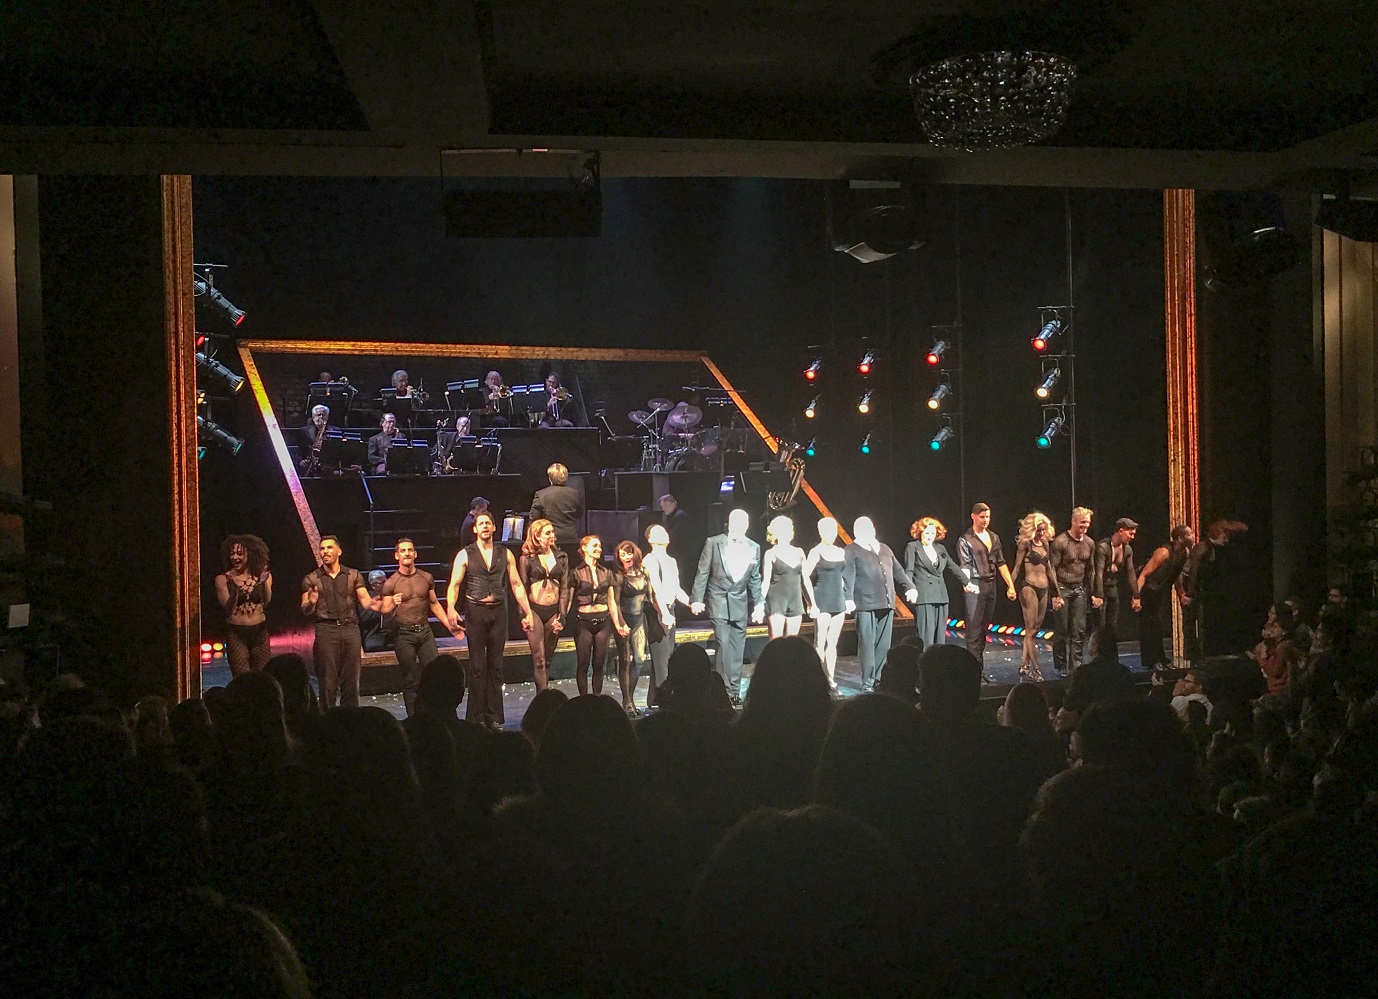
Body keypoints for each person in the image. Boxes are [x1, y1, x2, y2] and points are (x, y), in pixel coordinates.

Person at [445, 511, 536, 729]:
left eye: (488, 523)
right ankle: (475, 717)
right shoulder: (465, 554)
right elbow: (454, 584)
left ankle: (494, 716)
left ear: (494, 527)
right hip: (476, 611)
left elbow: (516, 584)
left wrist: (528, 611)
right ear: (475, 529)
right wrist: (450, 608)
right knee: (477, 666)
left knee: (496, 665)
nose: (485, 526)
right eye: (481, 524)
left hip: (497, 612)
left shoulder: (505, 553)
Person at [691, 508, 765, 705]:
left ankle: (734, 690)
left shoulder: (754, 547)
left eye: (743, 522)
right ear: (729, 523)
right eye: (736, 521)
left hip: (739, 603)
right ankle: (722, 691)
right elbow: (703, 572)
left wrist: (759, 603)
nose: (739, 526)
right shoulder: (714, 542)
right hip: (719, 600)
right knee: (723, 646)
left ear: (747, 525)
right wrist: (697, 598)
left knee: (738, 648)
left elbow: (755, 579)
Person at [300, 535, 380, 709]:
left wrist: (381, 604)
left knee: (351, 680)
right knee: (327, 681)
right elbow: (305, 609)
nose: (325, 551)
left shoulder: (353, 575)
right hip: (326, 630)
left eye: (329, 547)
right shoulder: (312, 579)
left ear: (339, 551)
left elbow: (366, 601)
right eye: (322, 548)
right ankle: (327, 719)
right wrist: (312, 602)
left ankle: (349, 718)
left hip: (350, 628)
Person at [843, 516, 918, 695]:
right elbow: (848, 575)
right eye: (864, 528)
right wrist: (848, 598)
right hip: (865, 603)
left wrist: (910, 586)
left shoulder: (884, 548)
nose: (869, 531)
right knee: (867, 643)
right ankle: (867, 682)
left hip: (886, 601)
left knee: (883, 644)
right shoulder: (851, 550)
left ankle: (878, 678)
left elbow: (898, 570)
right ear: (857, 531)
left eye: (870, 527)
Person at [381, 537, 450, 717]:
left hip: (425, 631)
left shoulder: (426, 577)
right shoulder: (391, 583)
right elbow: (384, 612)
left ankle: (435, 716)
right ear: (397, 555)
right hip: (404, 634)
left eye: (410, 550)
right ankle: (414, 719)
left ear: (415, 554)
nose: (407, 553)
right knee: (411, 679)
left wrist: (449, 625)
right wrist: (393, 604)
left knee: (434, 675)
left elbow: (434, 604)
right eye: (403, 551)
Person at [956, 503, 1016, 664]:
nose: (985, 520)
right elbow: (965, 564)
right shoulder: (965, 539)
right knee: (973, 629)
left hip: (990, 584)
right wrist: (966, 583)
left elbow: (1001, 562)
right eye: (982, 517)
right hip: (975, 584)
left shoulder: (993, 537)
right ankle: (972, 666)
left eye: (987, 517)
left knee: (984, 628)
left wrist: (1010, 585)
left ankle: (978, 664)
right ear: (973, 516)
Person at [570, 535, 629, 697]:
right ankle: (583, 699)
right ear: (584, 548)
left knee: (599, 663)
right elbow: (568, 599)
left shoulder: (606, 572)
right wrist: (560, 617)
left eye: (600, 546)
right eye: (594, 546)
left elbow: (612, 601)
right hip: (583, 622)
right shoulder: (576, 573)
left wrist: (618, 624)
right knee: (583, 663)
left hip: (603, 621)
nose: (599, 549)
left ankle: (597, 698)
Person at [1182, 518, 1248, 661]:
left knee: (1201, 622)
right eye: (1225, 536)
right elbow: (1193, 572)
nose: (1226, 540)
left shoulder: (1213, 548)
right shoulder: (1202, 548)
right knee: (1191, 622)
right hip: (1192, 587)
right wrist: (1189, 593)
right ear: (1217, 535)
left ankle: (1201, 654)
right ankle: (1193, 655)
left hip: (1201, 588)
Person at [518, 518, 570, 693]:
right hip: (534, 610)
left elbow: (564, 588)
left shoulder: (561, 557)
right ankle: (542, 698)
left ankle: (545, 695)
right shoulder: (527, 559)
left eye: (552, 532)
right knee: (539, 660)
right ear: (537, 536)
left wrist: (562, 615)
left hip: (553, 610)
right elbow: (521, 587)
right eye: (547, 533)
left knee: (548, 659)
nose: (552, 535)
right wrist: (523, 614)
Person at [644, 523, 691, 706]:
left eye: (664, 531)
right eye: (659, 533)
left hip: (669, 610)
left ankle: (654, 699)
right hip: (657, 611)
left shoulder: (671, 561)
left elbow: (676, 588)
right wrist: (663, 613)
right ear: (650, 539)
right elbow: (655, 589)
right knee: (662, 659)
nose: (664, 534)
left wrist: (690, 603)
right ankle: (665, 702)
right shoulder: (650, 560)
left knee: (666, 656)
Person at [904, 516, 966, 654]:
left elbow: (952, 566)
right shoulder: (913, 547)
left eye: (932, 533)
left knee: (940, 639)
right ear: (920, 532)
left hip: (941, 596)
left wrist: (967, 582)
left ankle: (938, 663)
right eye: (926, 533)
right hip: (924, 597)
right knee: (926, 637)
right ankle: (924, 663)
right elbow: (909, 570)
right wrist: (909, 588)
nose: (929, 536)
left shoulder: (940, 548)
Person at [1010, 512, 1060, 683]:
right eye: (1039, 530)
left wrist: (1057, 592)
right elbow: (1017, 566)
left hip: (1044, 588)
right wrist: (1011, 586)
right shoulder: (1025, 544)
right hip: (1029, 587)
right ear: (1032, 529)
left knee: (1035, 629)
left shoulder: (1045, 544)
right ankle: (1037, 669)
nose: (1041, 533)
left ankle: (1024, 665)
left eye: (1044, 530)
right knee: (1030, 629)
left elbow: (1050, 569)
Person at [1136, 524, 1195, 670]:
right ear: (1180, 538)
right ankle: (1151, 661)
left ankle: (1161, 658)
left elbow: (1176, 576)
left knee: (1159, 625)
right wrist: (1136, 596)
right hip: (1148, 590)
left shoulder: (1183, 553)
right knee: (1149, 625)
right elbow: (1144, 574)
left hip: (1160, 591)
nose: (1193, 536)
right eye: (1189, 534)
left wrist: (1181, 594)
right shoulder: (1164, 552)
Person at [214, 534, 273, 676]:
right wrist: (235, 589)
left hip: (260, 632)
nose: (235, 557)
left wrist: (262, 583)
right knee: (241, 677)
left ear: (250, 554)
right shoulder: (223, 579)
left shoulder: (263, 576)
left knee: (262, 676)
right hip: (236, 633)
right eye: (232, 554)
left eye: (240, 554)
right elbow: (228, 609)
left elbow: (266, 602)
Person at [1049, 506, 1098, 675]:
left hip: (1079, 590)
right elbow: (1051, 569)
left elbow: (1091, 569)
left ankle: (1076, 665)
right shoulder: (1061, 542)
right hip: (1062, 588)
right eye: (1082, 522)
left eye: (1087, 522)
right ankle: (1061, 665)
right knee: (1062, 630)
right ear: (1073, 521)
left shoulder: (1089, 543)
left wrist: (1093, 593)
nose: (1085, 526)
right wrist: (1055, 594)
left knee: (1079, 629)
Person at [804, 516, 847, 692]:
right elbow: (804, 576)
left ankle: (831, 678)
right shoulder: (816, 551)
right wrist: (811, 602)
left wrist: (846, 595)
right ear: (821, 532)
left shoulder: (840, 551)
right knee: (820, 641)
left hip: (838, 600)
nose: (831, 534)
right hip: (822, 598)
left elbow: (843, 575)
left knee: (833, 642)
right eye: (828, 531)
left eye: (834, 531)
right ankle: (818, 678)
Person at [1092, 517, 1142, 662]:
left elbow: (1130, 572)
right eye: (1130, 533)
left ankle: (1112, 657)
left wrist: (1136, 595)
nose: (1132, 537)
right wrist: (1098, 595)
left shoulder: (1127, 549)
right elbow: (1098, 573)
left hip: (1113, 587)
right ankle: (1098, 657)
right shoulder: (1103, 547)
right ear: (1120, 531)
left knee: (1112, 626)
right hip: (1101, 588)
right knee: (1100, 626)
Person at [613, 540, 653, 714]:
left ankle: (630, 696)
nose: (626, 557)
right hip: (624, 620)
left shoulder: (644, 573)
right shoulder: (619, 576)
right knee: (625, 660)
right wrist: (620, 623)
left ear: (634, 554)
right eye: (622, 554)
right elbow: (614, 603)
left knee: (639, 659)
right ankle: (627, 701)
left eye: (629, 553)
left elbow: (651, 596)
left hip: (638, 620)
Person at [761, 515, 813, 639]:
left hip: (795, 601)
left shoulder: (799, 552)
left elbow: (805, 580)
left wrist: (811, 602)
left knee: (793, 641)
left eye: (790, 528)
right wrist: (759, 604)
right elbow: (766, 581)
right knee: (776, 641)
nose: (789, 532)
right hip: (776, 601)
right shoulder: (771, 553)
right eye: (785, 529)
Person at [530, 462, 583, 550]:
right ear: (566, 477)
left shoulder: (541, 494)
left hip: (549, 537)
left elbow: (534, 518)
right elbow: (579, 514)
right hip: (570, 537)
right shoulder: (575, 493)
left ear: (550, 477)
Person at [358, 570, 390, 652]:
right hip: (376, 633)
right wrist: (380, 608)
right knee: (373, 645)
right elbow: (364, 618)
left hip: (393, 632)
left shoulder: (391, 596)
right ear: (373, 586)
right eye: (382, 582)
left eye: (386, 581)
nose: (386, 584)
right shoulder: (367, 598)